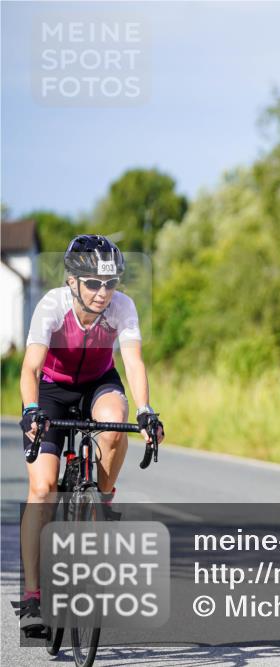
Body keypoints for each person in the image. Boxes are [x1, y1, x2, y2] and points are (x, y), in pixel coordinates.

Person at [15, 235, 164, 634]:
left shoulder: (123, 307)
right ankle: (33, 596)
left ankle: (103, 498)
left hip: (99, 382)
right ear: (73, 281)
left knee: (116, 426)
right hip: (52, 389)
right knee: (43, 489)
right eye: (94, 283)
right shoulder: (52, 305)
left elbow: (132, 361)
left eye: (110, 283)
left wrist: (147, 410)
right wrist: (31, 411)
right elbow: (30, 368)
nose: (103, 293)